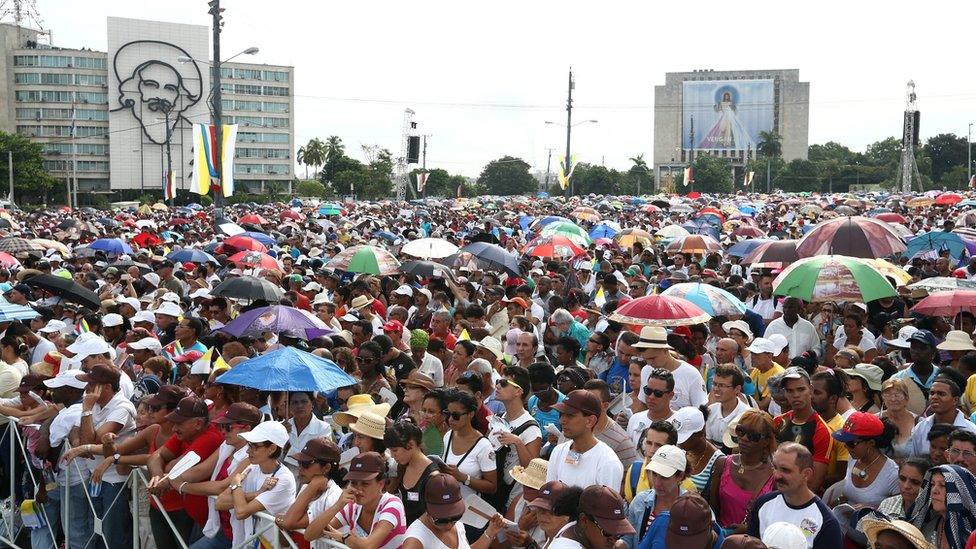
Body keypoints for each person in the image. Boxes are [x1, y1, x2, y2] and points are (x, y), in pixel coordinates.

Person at [147, 395, 225, 548]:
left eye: (179, 423)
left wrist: (165, 468)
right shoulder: (183, 433)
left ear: (198, 423)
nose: (174, 428)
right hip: (192, 513)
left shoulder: (211, 437)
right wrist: (157, 477)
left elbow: (172, 469)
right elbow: (155, 457)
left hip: (205, 520)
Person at [216, 420, 297, 547]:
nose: (248, 451)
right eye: (249, 445)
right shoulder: (252, 468)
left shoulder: (284, 479)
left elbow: (241, 512)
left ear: (271, 449)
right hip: (249, 543)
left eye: (254, 447)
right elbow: (220, 502)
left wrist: (236, 483)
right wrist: (257, 494)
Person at [747, 442, 842, 549]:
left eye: (785, 470)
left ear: (806, 474)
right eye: (775, 467)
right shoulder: (763, 504)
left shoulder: (826, 522)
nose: (777, 475)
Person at [306, 452, 407, 548]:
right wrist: (337, 505)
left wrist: (343, 537)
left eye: (365, 484)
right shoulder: (352, 506)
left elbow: (368, 546)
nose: (358, 490)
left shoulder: (392, 504)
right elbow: (309, 535)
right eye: (354, 483)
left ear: (381, 484)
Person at [708, 410, 776, 535]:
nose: (744, 438)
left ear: (766, 441)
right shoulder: (722, 464)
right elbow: (713, 510)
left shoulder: (775, 476)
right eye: (740, 431)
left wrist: (750, 530)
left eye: (753, 436)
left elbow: (775, 522)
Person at [402, 473, 506, 549]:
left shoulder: (457, 522)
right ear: (426, 507)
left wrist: (490, 531)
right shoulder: (414, 542)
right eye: (441, 520)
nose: (449, 525)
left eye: (456, 517)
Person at [546, 389, 624, 489]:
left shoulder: (608, 462)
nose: (562, 421)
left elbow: (606, 504)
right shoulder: (558, 451)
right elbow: (549, 497)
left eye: (570, 415)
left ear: (590, 421)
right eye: (561, 414)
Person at [276, 436, 346, 548]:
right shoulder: (306, 488)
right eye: (300, 462)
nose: (300, 468)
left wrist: (313, 486)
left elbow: (288, 522)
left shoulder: (334, 496)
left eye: (306, 464)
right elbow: (284, 542)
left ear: (326, 468)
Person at [772, 367, 833, 493]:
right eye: (790, 390)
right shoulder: (778, 422)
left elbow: (813, 483)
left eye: (801, 389)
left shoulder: (821, 430)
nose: (795, 395)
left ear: (810, 390)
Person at [494, 365, 543, 507]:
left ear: (518, 391)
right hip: (496, 491)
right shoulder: (498, 418)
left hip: (514, 497)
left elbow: (532, 471)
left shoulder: (531, 428)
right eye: (498, 382)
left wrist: (518, 442)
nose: (498, 386)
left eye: (503, 384)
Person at [829, 411, 899, 509]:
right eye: (845, 442)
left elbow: (898, 508)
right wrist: (839, 500)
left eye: (851, 443)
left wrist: (872, 507)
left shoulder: (892, 474)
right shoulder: (852, 459)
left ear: (871, 443)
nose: (846, 447)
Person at [441, 388, 498, 505]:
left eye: (456, 416)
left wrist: (464, 478)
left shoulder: (483, 446)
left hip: (469, 512)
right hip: (446, 505)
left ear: (471, 414)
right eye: (448, 414)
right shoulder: (448, 435)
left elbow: (492, 487)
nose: (450, 419)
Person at [626, 444, 689, 547]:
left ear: (680, 476)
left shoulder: (695, 508)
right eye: (654, 474)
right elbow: (629, 537)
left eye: (664, 477)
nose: (657, 482)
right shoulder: (640, 501)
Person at [635, 326, 708, 411]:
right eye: (646, 359)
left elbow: (701, 410)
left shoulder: (691, 374)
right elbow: (644, 405)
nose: (649, 363)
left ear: (665, 350)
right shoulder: (646, 370)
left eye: (653, 358)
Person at [906, 464, 976, 549]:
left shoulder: (973, 532)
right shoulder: (927, 527)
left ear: (959, 492)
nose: (934, 490)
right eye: (932, 484)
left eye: (942, 485)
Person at [549, 484, 636, 549]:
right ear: (584, 521)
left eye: (617, 534)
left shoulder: (575, 527)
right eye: (607, 532)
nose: (614, 540)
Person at [385, 420, 438, 524]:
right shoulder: (401, 467)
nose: (392, 455)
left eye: (395, 450)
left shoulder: (433, 477)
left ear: (411, 444)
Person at [910, 376, 976, 455]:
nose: (934, 397)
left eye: (941, 394)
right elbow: (915, 459)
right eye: (932, 393)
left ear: (955, 400)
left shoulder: (971, 430)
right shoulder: (921, 427)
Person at [638, 492, 725, 549]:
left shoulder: (726, 545)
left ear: (711, 527)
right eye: (677, 542)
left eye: (692, 544)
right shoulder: (661, 523)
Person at [584, 378, 639, 466]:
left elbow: (628, 477)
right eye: (584, 401)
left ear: (605, 406)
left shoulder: (621, 442)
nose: (585, 406)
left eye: (592, 402)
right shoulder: (574, 427)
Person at [706, 365, 750, 450]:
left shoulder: (747, 416)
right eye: (714, 384)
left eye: (722, 385)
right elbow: (709, 443)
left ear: (737, 389)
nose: (716, 389)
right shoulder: (710, 410)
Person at [879, 378, 920, 459]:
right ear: (883, 398)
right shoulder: (874, 420)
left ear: (906, 398)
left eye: (898, 395)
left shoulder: (919, 423)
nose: (893, 399)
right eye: (887, 395)